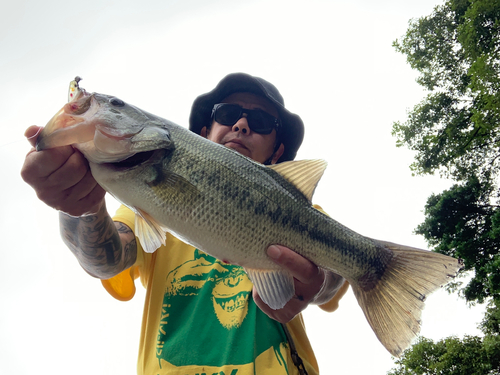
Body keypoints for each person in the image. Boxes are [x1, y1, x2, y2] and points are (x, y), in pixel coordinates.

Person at [21, 73, 349, 375]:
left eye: (261, 121)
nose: (242, 124)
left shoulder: (306, 215)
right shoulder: (144, 209)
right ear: (204, 133)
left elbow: (334, 277)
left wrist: (317, 283)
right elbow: (106, 259)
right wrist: (82, 207)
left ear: (278, 152)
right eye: (226, 112)